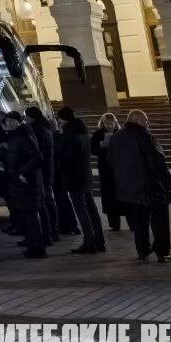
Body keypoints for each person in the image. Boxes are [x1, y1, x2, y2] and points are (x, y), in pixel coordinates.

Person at [108, 109, 171, 262]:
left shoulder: (116, 137)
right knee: (160, 220)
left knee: (139, 220)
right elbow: (158, 162)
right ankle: (162, 251)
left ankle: (142, 250)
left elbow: (111, 161)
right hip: (151, 185)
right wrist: (168, 182)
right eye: (145, 120)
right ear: (138, 121)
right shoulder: (145, 136)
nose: (148, 123)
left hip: (130, 188)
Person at [56, 107, 105, 254]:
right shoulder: (83, 133)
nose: (59, 122)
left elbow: (66, 159)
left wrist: (60, 166)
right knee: (91, 209)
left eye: (60, 119)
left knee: (81, 210)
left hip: (74, 178)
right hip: (86, 175)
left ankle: (89, 242)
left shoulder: (68, 135)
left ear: (64, 119)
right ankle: (99, 241)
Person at [1, 111, 47, 258]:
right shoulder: (15, 137)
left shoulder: (23, 136)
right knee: (27, 216)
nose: (8, 123)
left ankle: (37, 248)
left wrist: (23, 173)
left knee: (31, 217)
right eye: (7, 121)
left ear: (18, 122)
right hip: (19, 184)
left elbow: (38, 157)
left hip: (26, 184)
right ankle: (32, 244)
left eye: (11, 121)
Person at [25, 106, 59, 244]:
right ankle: (53, 230)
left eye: (26, 116)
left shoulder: (36, 131)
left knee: (45, 202)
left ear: (31, 117)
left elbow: (38, 153)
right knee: (49, 201)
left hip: (41, 171)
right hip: (48, 169)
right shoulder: (45, 128)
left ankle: (49, 233)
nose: (25, 119)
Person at [90, 113, 123, 231]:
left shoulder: (120, 133)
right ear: (102, 123)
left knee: (122, 194)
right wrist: (101, 146)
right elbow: (93, 149)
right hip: (105, 168)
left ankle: (132, 222)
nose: (109, 126)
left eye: (111, 123)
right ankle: (114, 224)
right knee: (109, 196)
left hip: (119, 167)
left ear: (115, 123)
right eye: (106, 124)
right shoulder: (98, 134)